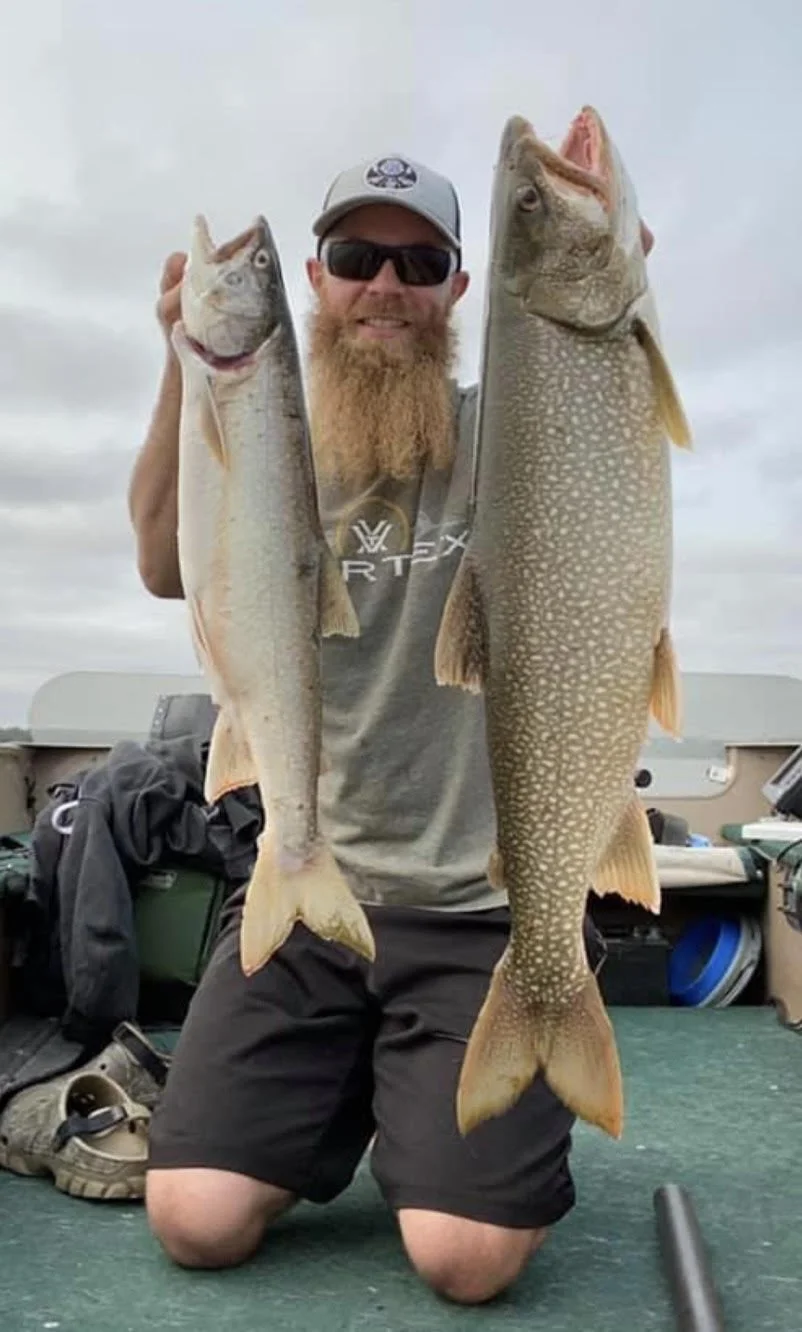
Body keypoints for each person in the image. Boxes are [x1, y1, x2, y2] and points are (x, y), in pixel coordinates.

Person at [128, 152, 640, 1305]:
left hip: (476, 916)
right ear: (314, 278)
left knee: (464, 1262)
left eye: (421, 263)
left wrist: (600, 292)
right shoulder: (269, 443)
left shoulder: (512, 436)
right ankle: (369, 1081)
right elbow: (167, 565)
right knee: (194, 1221)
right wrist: (185, 369)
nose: (387, 288)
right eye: (359, 260)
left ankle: (434, 1095)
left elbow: (590, 381)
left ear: (461, 291)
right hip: (311, 895)